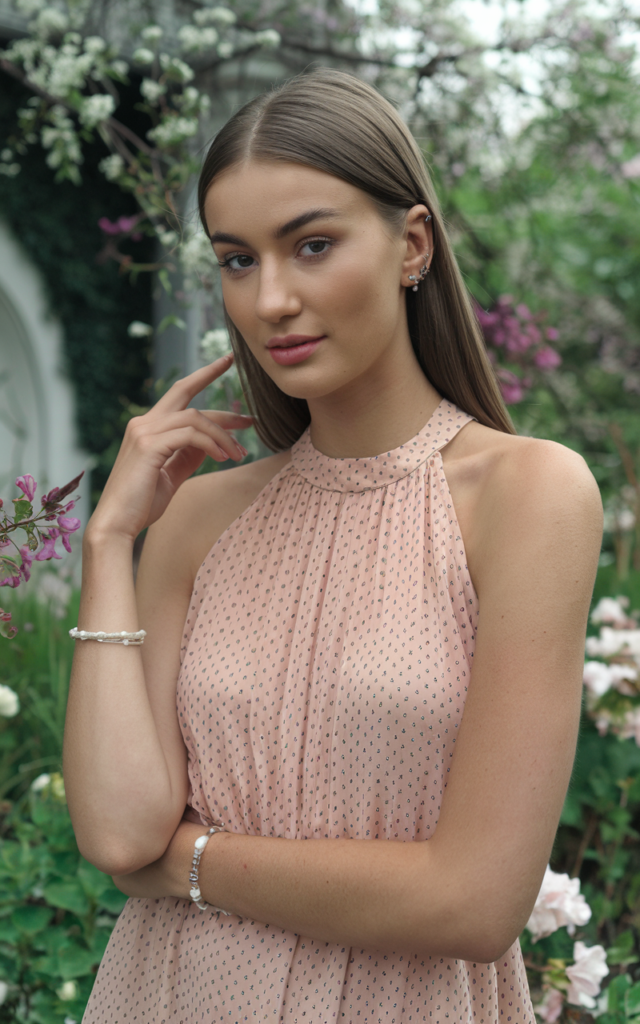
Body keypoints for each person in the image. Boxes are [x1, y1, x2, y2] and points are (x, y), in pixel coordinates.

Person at [65, 68, 603, 1023]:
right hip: (169, 997)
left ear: (412, 244)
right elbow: (117, 835)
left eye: (312, 245)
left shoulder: (528, 495)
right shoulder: (197, 518)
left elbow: (474, 902)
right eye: (237, 260)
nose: (271, 299)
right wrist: (110, 541)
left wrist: (189, 860)